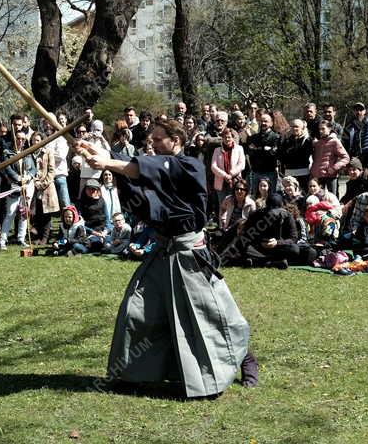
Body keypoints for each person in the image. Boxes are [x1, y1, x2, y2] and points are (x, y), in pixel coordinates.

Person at [78, 120, 254, 397]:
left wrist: (107, 163)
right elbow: (134, 168)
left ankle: (245, 359)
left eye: (159, 140)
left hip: (189, 255)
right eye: (152, 140)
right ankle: (130, 374)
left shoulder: (190, 165)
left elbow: (140, 169)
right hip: (162, 252)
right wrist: (93, 151)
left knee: (214, 316)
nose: (154, 144)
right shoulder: (157, 165)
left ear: (176, 140)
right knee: (136, 310)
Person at [0, 129, 36, 250]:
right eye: (18, 139)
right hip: (14, 186)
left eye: (22, 139)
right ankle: (3, 240)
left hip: (27, 185)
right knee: (10, 212)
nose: (20, 141)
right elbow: (7, 168)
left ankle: (21, 238)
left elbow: (33, 169)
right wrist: (18, 178)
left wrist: (28, 176)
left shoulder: (28, 152)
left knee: (24, 213)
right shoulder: (7, 152)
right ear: (14, 139)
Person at [210, 128, 245, 222]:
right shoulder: (217, 150)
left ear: (233, 138)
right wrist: (225, 175)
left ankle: (234, 224)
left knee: (235, 203)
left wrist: (231, 174)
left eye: (229, 137)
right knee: (222, 204)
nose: (227, 139)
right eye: (225, 137)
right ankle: (222, 225)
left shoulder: (239, 149)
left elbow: (242, 164)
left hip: (234, 181)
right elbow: (213, 166)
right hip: (221, 182)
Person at [311, 120, 349, 195]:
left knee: (332, 199)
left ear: (329, 129)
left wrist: (334, 168)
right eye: (319, 129)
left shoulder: (335, 141)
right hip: (317, 176)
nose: (321, 131)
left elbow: (346, 158)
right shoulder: (318, 143)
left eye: (323, 129)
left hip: (330, 176)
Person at [246, 112, 280, 194]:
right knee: (255, 197)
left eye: (266, 121)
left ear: (271, 123)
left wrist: (257, 149)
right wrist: (264, 149)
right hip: (256, 172)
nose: (263, 123)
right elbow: (250, 152)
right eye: (261, 121)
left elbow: (273, 153)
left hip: (270, 172)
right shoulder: (253, 138)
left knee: (271, 197)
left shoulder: (276, 137)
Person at [342, 102, 368, 170]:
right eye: (356, 110)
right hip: (354, 160)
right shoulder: (349, 127)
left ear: (365, 111)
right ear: (354, 111)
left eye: (361, 110)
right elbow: (345, 144)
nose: (358, 112)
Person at [279, 119, 313, 191]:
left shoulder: (308, 140)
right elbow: (282, 156)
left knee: (303, 194)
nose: (294, 129)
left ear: (302, 128)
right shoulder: (286, 141)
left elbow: (303, 156)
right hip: (289, 173)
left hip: (303, 173)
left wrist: (290, 154)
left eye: (296, 127)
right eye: (292, 126)